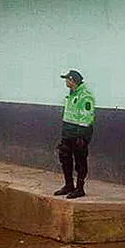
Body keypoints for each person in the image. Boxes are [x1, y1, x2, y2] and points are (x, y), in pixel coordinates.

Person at [54, 70, 95, 199]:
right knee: (65, 159)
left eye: (67, 79)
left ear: (72, 80)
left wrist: (81, 137)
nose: (66, 82)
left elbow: (87, 118)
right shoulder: (71, 94)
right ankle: (69, 185)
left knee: (80, 162)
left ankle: (80, 188)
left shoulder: (85, 96)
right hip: (68, 134)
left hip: (79, 136)